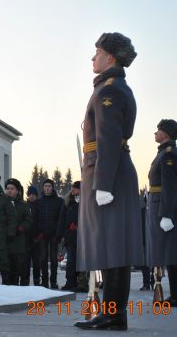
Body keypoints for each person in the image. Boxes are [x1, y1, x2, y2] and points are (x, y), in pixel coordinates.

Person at [75, 32, 143, 331]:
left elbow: (109, 138)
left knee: (112, 245)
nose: (93, 58)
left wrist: (102, 183)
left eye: (97, 52)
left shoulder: (109, 90)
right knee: (111, 244)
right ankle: (114, 314)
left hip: (107, 172)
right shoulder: (111, 86)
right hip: (109, 169)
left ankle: (112, 313)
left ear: (110, 58)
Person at [145, 119, 177, 306]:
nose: (155, 133)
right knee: (168, 252)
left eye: (158, 130)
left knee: (171, 252)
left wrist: (166, 214)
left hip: (165, 208)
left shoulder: (168, 154)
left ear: (165, 134)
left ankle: (175, 295)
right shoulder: (163, 153)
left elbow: (170, 186)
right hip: (159, 205)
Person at [4, 178, 32, 286]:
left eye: (12, 188)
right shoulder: (2, 203)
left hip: (18, 241)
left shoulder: (23, 205)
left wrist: (21, 228)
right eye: (7, 188)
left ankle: (15, 290)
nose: (9, 191)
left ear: (17, 190)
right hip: (4, 240)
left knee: (16, 269)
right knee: (6, 269)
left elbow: (28, 220)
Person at [37, 179, 64, 289]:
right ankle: (44, 281)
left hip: (54, 234)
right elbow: (37, 218)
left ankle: (53, 281)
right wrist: (39, 232)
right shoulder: (40, 202)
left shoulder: (59, 201)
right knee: (43, 258)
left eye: (49, 186)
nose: (47, 188)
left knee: (53, 259)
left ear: (52, 187)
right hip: (43, 234)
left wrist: (59, 233)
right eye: (45, 186)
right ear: (43, 188)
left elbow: (61, 218)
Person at [57, 181, 81, 291]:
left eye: (75, 188)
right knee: (71, 260)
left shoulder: (85, 203)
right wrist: (61, 234)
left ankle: (81, 282)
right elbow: (62, 219)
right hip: (70, 237)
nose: (73, 190)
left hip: (82, 237)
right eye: (72, 188)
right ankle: (70, 281)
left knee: (81, 261)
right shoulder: (68, 203)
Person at [24, 186, 41, 286]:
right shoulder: (25, 206)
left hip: (37, 238)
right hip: (26, 237)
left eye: (33, 195)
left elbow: (42, 221)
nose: (31, 196)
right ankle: (25, 280)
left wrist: (40, 234)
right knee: (26, 261)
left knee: (36, 262)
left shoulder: (39, 206)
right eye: (29, 194)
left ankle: (36, 280)